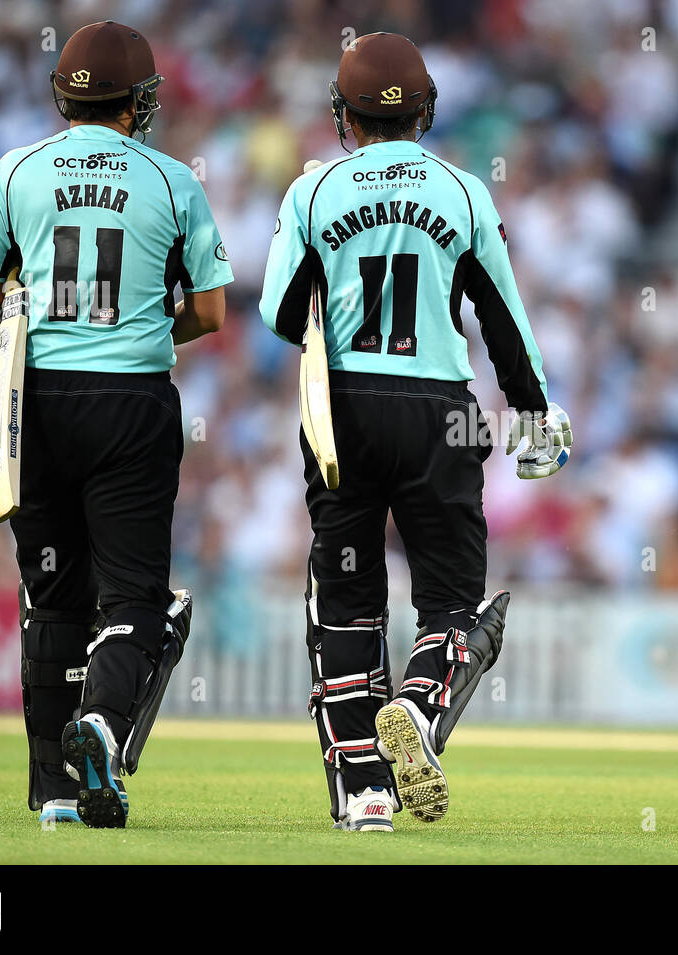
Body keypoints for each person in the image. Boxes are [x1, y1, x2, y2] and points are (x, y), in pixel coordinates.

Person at [260, 32, 572, 832]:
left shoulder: (314, 193)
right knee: (452, 603)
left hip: (344, 409)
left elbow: (281, 318)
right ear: (425, 110)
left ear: (346, 114)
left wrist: (317, 230)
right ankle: (421, 711)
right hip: (444, 409)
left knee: (347, 603)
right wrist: (533, 410)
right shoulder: (466, 193)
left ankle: (363, 792)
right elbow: (504, 319)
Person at [0, 21, 232, 828]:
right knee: (134, 596)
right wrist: (146, 330)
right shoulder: (173, 180)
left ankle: (51, 790)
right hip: (132, 404)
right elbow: (213, 312)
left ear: (64, 95)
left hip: (37, 402)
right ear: (137, 102)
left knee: (51, 596)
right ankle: (105, 724)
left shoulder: (16, 169)